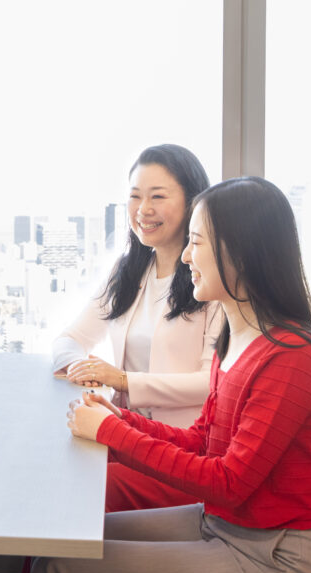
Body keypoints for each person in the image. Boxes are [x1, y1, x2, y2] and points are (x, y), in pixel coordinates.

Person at [26, 177, 311, 573]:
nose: (187, 256)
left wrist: (113, 433)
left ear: (241, 252)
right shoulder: (237, 338)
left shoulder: (289, 355)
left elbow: (229, 483)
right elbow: (201, 441)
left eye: (197, 243)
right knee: (70, 540)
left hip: (279, 556)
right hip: (226, 525)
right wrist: (120, 418)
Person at [52, 143, 223, 511]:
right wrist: (85, 370)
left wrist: (122, 380)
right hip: (128, 433)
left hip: (183, 449)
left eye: (157, 196)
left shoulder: (212, 280)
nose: (143, 209)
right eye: (134, 196)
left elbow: (212, 383)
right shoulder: (128, 270)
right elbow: (71, 338)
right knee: (57, 467)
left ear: (192, 202)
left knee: (83, 488)